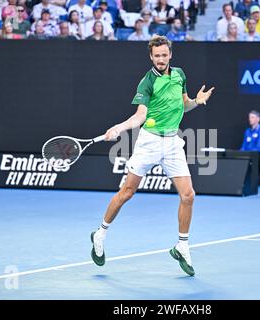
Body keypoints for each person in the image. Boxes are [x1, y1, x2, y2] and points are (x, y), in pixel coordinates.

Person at [90, 35, 214, 276]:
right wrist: (119, 128)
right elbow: (140, 116)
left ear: (170, 55)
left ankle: (182, 246)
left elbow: (183, 104)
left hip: (173, 143)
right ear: (151, 56)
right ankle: (100, 232)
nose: (160, 59)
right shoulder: (146, 82)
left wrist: (197, 102)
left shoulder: (179, 74)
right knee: (127, 192)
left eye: (164, 55)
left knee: (188, 195)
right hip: (149, 142)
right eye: (156, 56)